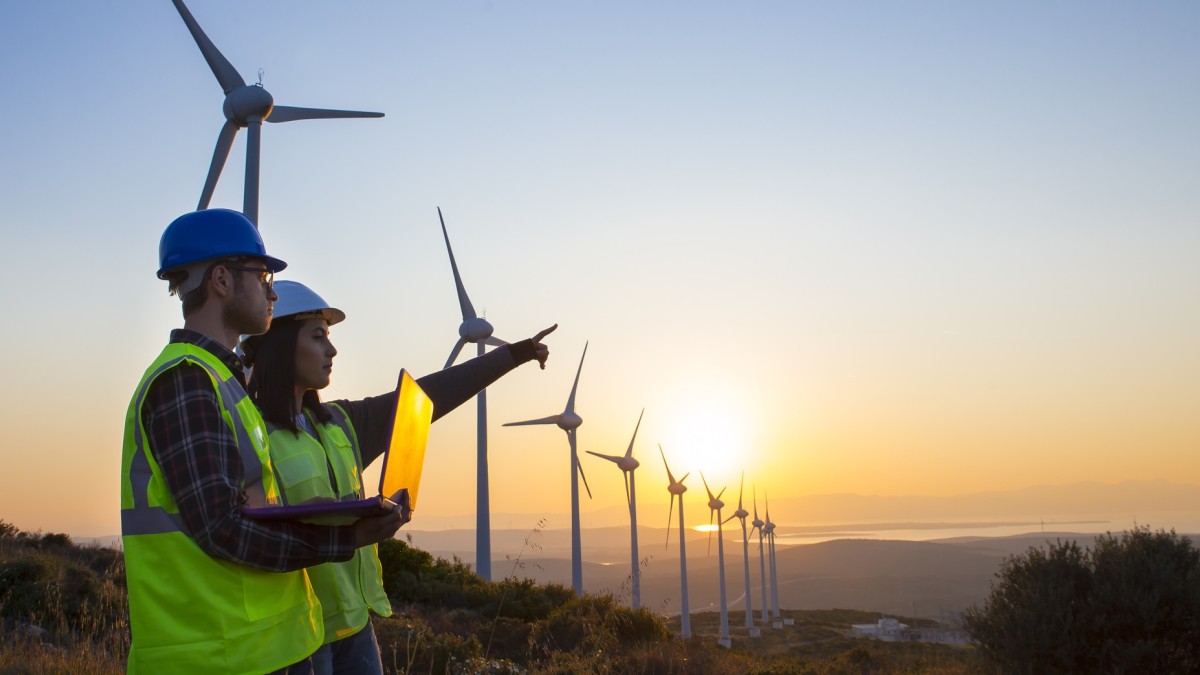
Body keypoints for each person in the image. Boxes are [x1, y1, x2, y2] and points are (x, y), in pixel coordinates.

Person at [120, 209, 408, 675]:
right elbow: (223, 528)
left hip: (266, 646)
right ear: (220, 280)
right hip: (220, 655)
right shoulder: (187, 381)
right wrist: (346, 538)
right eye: (262, 275)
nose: (272, 291)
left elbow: (247, 508)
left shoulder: (220, 381)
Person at [240, 280, 555, 675]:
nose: (332, 349)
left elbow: (425, 399)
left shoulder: (340, 422)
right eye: (318, 337)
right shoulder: (247, 434)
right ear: (280, 346)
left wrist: (513, 354)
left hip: (356, 628)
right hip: (297, 637)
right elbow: (247, 537)